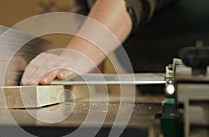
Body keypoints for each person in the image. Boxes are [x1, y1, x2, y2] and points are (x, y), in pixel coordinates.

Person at [21, 0, 170, 85]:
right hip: (148, 85)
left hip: (184, 81)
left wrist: (75, 56)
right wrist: (86, 70)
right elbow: (87, 14)